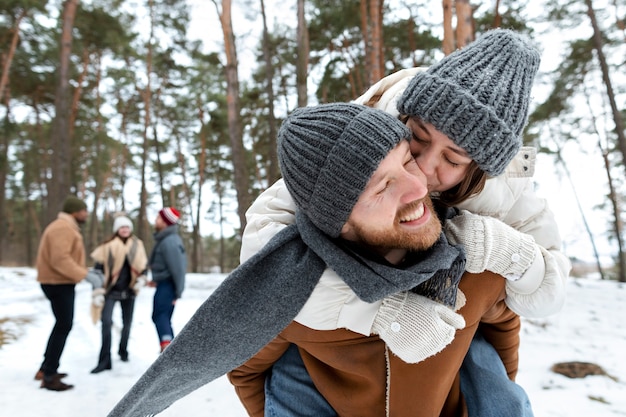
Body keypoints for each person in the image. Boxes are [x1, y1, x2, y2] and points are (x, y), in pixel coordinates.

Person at [228, 29, 570, 416]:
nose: (424, 169)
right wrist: (380, 313)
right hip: (329, 365)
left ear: (481, 166)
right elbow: (262, 248)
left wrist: (506, 250)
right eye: (417, 138)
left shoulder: (504, 191)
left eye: (453, 160)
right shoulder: (359, 136)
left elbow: (547, 291)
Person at [107, 102, 478, 417]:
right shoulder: (294, 298)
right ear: (339, 223)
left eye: (407, 161)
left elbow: (500, 357)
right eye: (383, 186)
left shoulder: (477, 257)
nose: (420, 185)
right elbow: (246, 371)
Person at [35, 195, 102, 391]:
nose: (86, 214)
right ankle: (49, 376)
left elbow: (65, 258)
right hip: (58, 283)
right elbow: (60, 259)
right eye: (84, 210)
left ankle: (45, 368)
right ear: (75, 211)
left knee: (61, 325)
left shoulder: (65, 226)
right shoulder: (62, 228)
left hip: (58, 282)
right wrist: (84, 275)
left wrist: (85, 271)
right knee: (63, 326)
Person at [89, 214, 148, 373]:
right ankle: (104, 360)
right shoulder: (106, 246)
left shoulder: (137, 245)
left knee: (127, 323)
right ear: (117, 229)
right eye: (122, 227)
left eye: (127, 227)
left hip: (129, 291)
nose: (125, 230)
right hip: (109, 291)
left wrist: (142, 279)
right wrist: (97, 292)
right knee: (106, 322)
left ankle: (123, 351)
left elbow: (143, 267)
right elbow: (97, 271)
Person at [147, 207, 186, 353]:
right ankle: (170, 349)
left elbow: (178, 268)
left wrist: (177, 292)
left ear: (165, 222)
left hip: (168, 286)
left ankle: (167, 347)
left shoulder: (170, 241)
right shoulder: (166, 239)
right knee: (162, 316)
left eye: (158, 218)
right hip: (164, 284)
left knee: (160, 315)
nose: (155, 221)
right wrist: (156, 279)